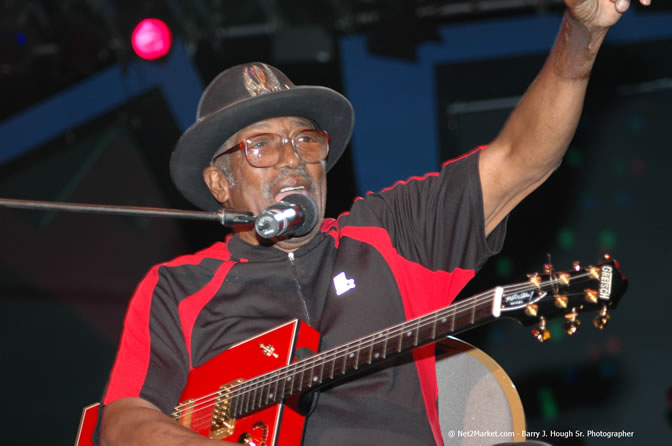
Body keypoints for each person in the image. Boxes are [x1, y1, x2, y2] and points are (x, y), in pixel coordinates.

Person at [97, 1, 652, 445]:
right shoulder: (179, 287)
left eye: (305, 139)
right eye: (261, 146)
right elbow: (122, 422)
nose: (292, 158)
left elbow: (520, 161)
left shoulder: (391, 232)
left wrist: (581, 34)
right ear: (220, 184)